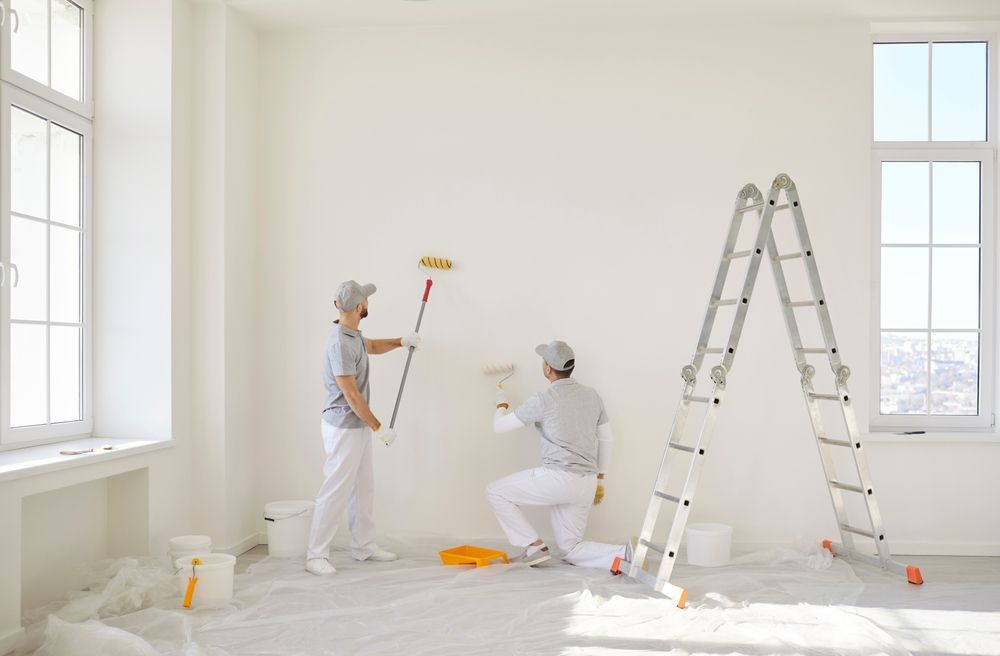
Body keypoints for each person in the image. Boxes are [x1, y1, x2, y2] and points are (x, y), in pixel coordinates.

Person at [305, 280, 421, 576]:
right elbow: (351, 395)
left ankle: (364, 546)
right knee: (335, 489)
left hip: (357, 425)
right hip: (344, 426)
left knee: (363, 488)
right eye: (366, 300)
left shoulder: (352, 335)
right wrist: (379, 427)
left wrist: (400, 342)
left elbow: (370, 346)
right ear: (360, 307)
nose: (369, 303)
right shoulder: (339, 344)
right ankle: (315, 554)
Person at [486, 340, 628, 568]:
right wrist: (601, 478)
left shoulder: (543, 400)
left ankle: (533, 547)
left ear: (548, 368)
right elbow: (607, 439)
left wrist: (500, 403)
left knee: (495, 492)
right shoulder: (592, 395)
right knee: (571, 548)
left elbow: (499, 427)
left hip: (558, 479)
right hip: (587, 484)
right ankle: (626, 554)